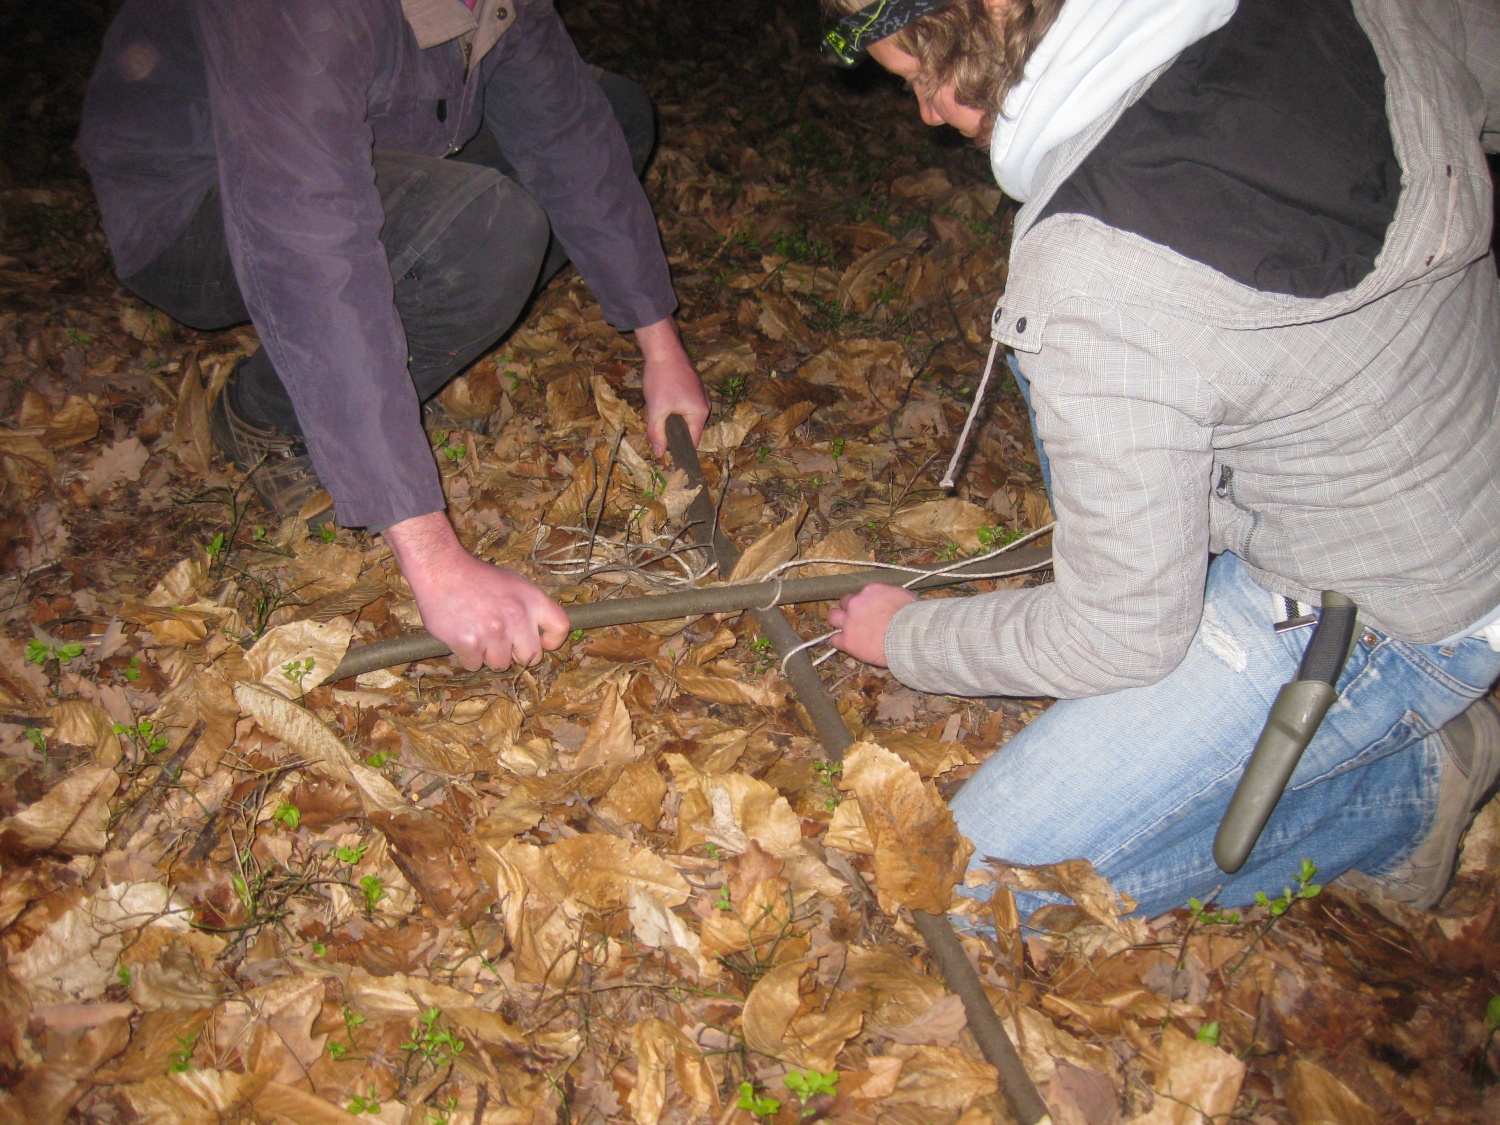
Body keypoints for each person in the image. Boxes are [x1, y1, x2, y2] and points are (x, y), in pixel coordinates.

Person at [822, 0, 1500, 919]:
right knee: (1073, 357)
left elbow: (1122, 633)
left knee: (960, 886)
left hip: (1389, 609)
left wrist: (906, 638)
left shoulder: (1099, 269)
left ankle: (1410, 788)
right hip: (1446, 457)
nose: (928, 116)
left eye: (922, 78)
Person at [76, 0, 710, 672]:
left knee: (615, 112)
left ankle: (390, 359)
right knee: (488, 235)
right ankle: (263, 415)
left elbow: (570, 137)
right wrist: (433, 557)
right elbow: (311, 247)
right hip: (200, 193)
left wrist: (659, 346)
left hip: (374, 138)